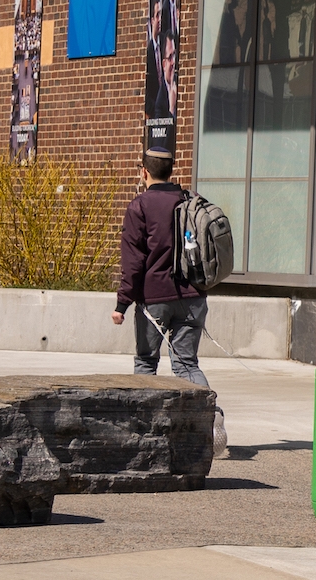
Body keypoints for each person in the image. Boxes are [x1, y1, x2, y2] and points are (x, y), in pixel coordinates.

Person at [112, 149, 225, 451]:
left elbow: (133, 262)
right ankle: (210, 414)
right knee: (186, 364)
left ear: (143, 172)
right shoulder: (189, 200)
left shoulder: (140, 206)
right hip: (194, 296)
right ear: (171, 171)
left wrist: (122, 304)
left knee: (147, 363)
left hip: (154, 299)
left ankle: (142, 433)